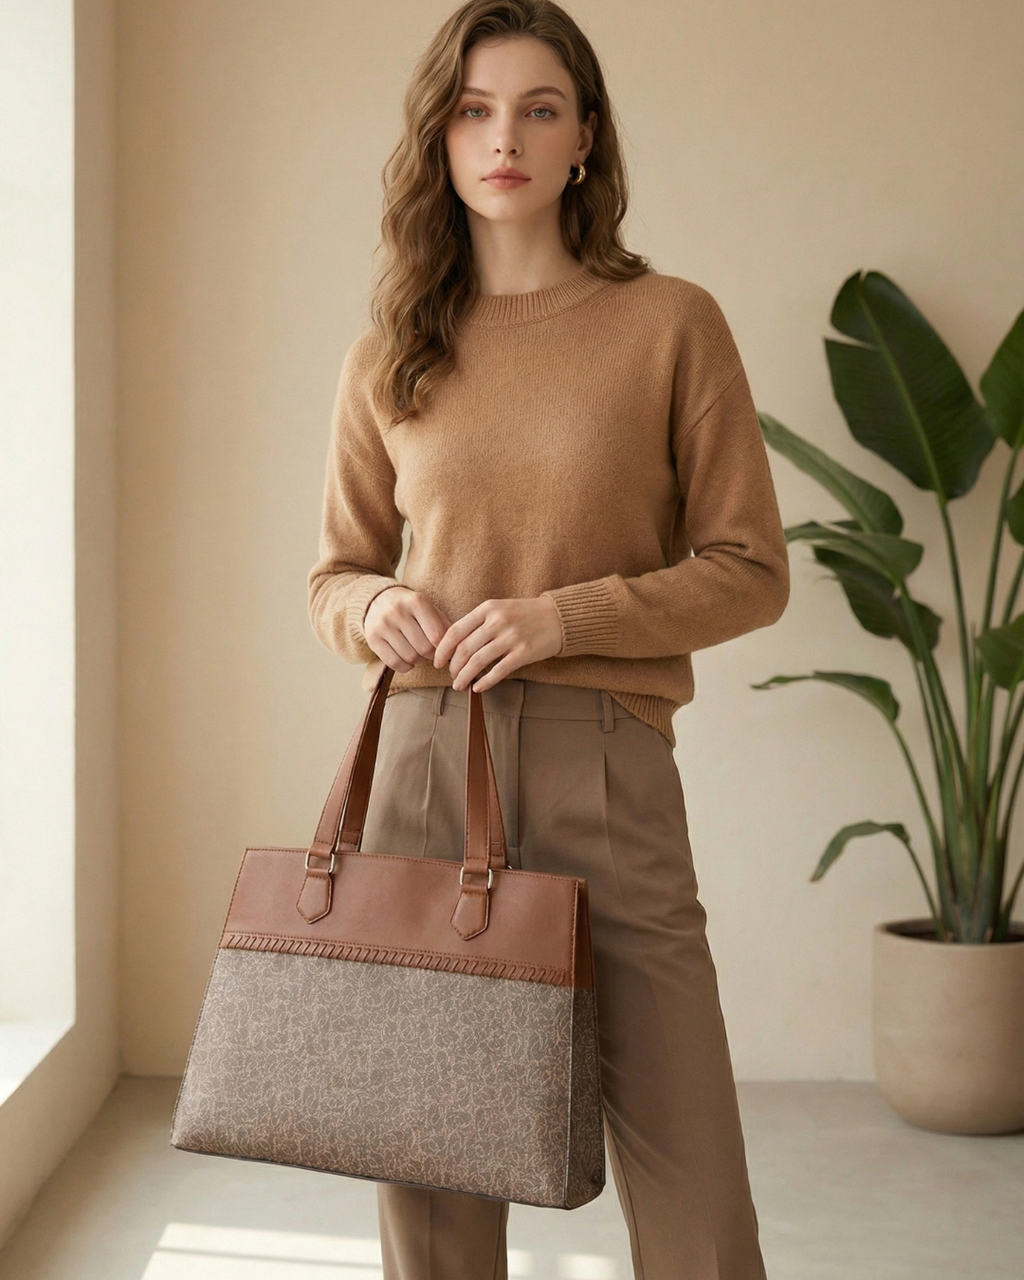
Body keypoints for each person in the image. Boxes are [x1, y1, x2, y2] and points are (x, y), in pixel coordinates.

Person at [307, 2, 790, 1277]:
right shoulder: (388, 353)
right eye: (472, 110)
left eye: (535, 108)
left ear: (584, 140)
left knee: (689, 1172)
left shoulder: (670, 324)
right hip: (423, 755)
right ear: (440, 140)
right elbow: (333, 573)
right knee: (435, 1175)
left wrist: (560, 615)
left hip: (607, 759)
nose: (502, 137)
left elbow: (751, 570)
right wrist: (375, 608)